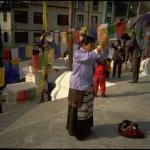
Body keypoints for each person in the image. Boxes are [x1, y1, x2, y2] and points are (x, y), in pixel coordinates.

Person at [66, 35, 108, 140]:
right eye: (91, 45)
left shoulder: (91, 54)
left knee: (87, 110)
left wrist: (103, 47)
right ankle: (77, 131)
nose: (93, 47)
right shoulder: (78, 54)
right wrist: (98, 49)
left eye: (94, 45)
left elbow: (102, 58)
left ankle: (86, 129)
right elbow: (90, 56)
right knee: (77, 110)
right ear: (83, 45)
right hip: (78, 86)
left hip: (88, 85)